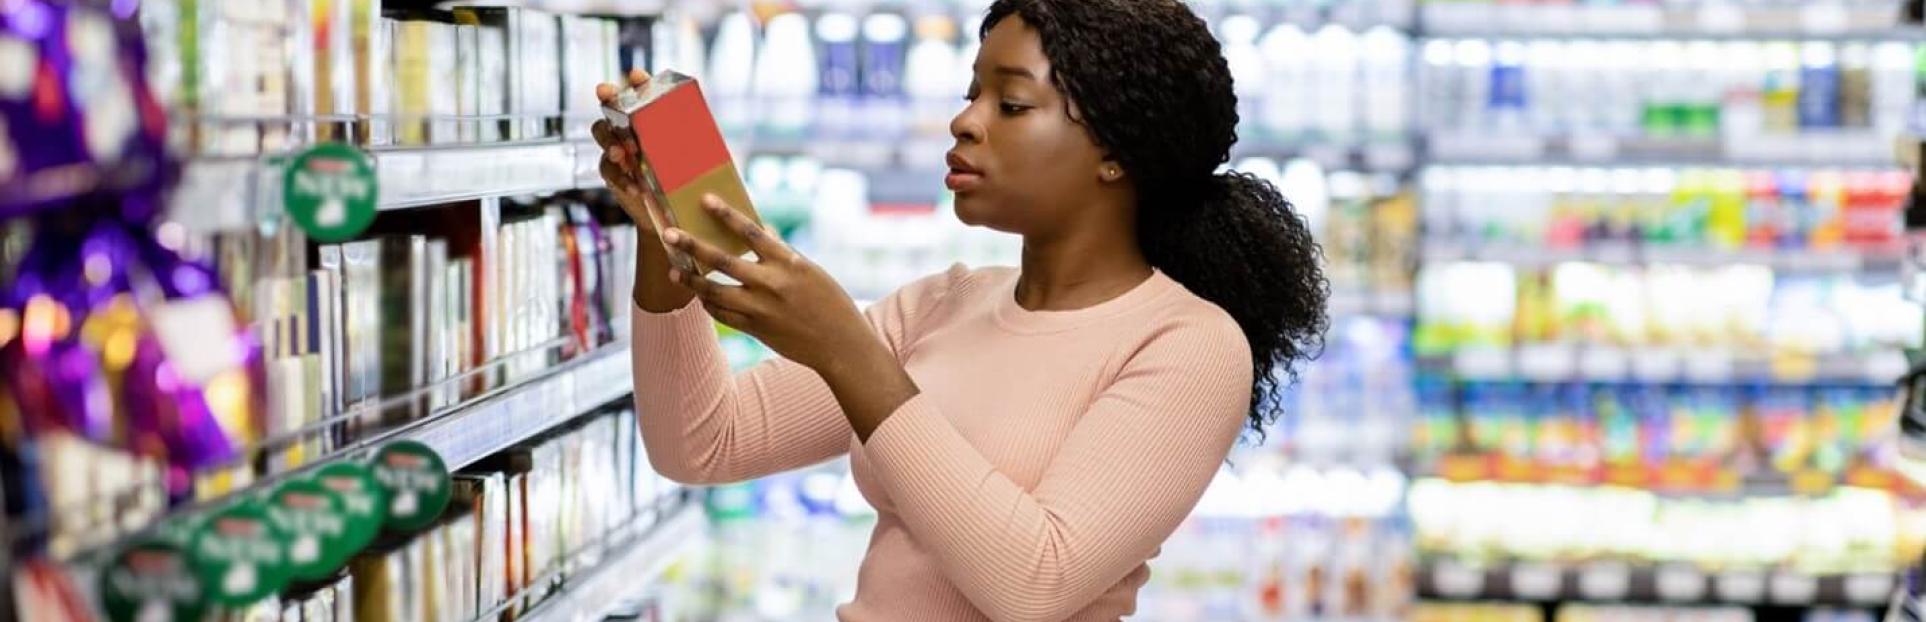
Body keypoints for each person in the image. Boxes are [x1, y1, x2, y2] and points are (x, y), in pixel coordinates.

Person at [592, 0, 1328, 619]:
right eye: (970, 94)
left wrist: (849, 353)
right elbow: (703, 442)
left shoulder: (1189, 345)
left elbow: (1035, 581)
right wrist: (667, 234)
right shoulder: (943, 303)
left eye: (1009, 104)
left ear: (1118, 151)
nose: (965, 123)